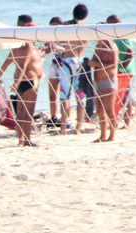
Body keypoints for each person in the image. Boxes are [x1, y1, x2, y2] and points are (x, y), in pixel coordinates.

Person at [0, 15, 43, 146]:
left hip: (20, 83)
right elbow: (24, 65)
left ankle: (21, 140)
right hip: (29, 82)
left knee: (21, 113)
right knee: (28, 113)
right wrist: (16, 83)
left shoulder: (16, 47)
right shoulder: (29, 46)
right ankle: (27, 141)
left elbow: (6, 63)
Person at [59, 4, 89, 135]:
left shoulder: (65, 25)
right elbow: (85, 42)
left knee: (65, 96)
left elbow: (59, 40)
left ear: (73, 13)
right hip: (80, 61)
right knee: (80, 96)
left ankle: (63, 128)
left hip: (68, 61)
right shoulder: (85, 28)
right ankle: (78, 128)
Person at [88, 38, 119, 142]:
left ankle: (112, 136)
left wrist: (96, 64)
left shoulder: (112, 47)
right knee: (100, 111)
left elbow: (113, 65)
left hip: (108, 81)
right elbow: (93, 61)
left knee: (109, 110)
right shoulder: (98, 47)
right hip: (97, 81)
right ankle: (102, 135)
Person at [106, 14, 135, 127]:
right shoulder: (119, 35)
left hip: (125, 71)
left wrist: (122, 67)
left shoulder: (122, 35)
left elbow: (130, 52)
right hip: (123, 70)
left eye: (109, 24)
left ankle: (127, 122)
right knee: (124, 96)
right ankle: (125, 121)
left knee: (125, 96)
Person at [40, 16, 64, 127]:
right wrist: (40, 52)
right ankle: (53, 117)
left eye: (55, 27)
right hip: (54, 64)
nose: (53, 29)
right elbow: (47, 50)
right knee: (52, 94)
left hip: (64, 65)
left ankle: (64, 118)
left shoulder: (67, 36)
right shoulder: (51, 38)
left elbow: (70, 50)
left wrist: (56, 46)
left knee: (64, 95)